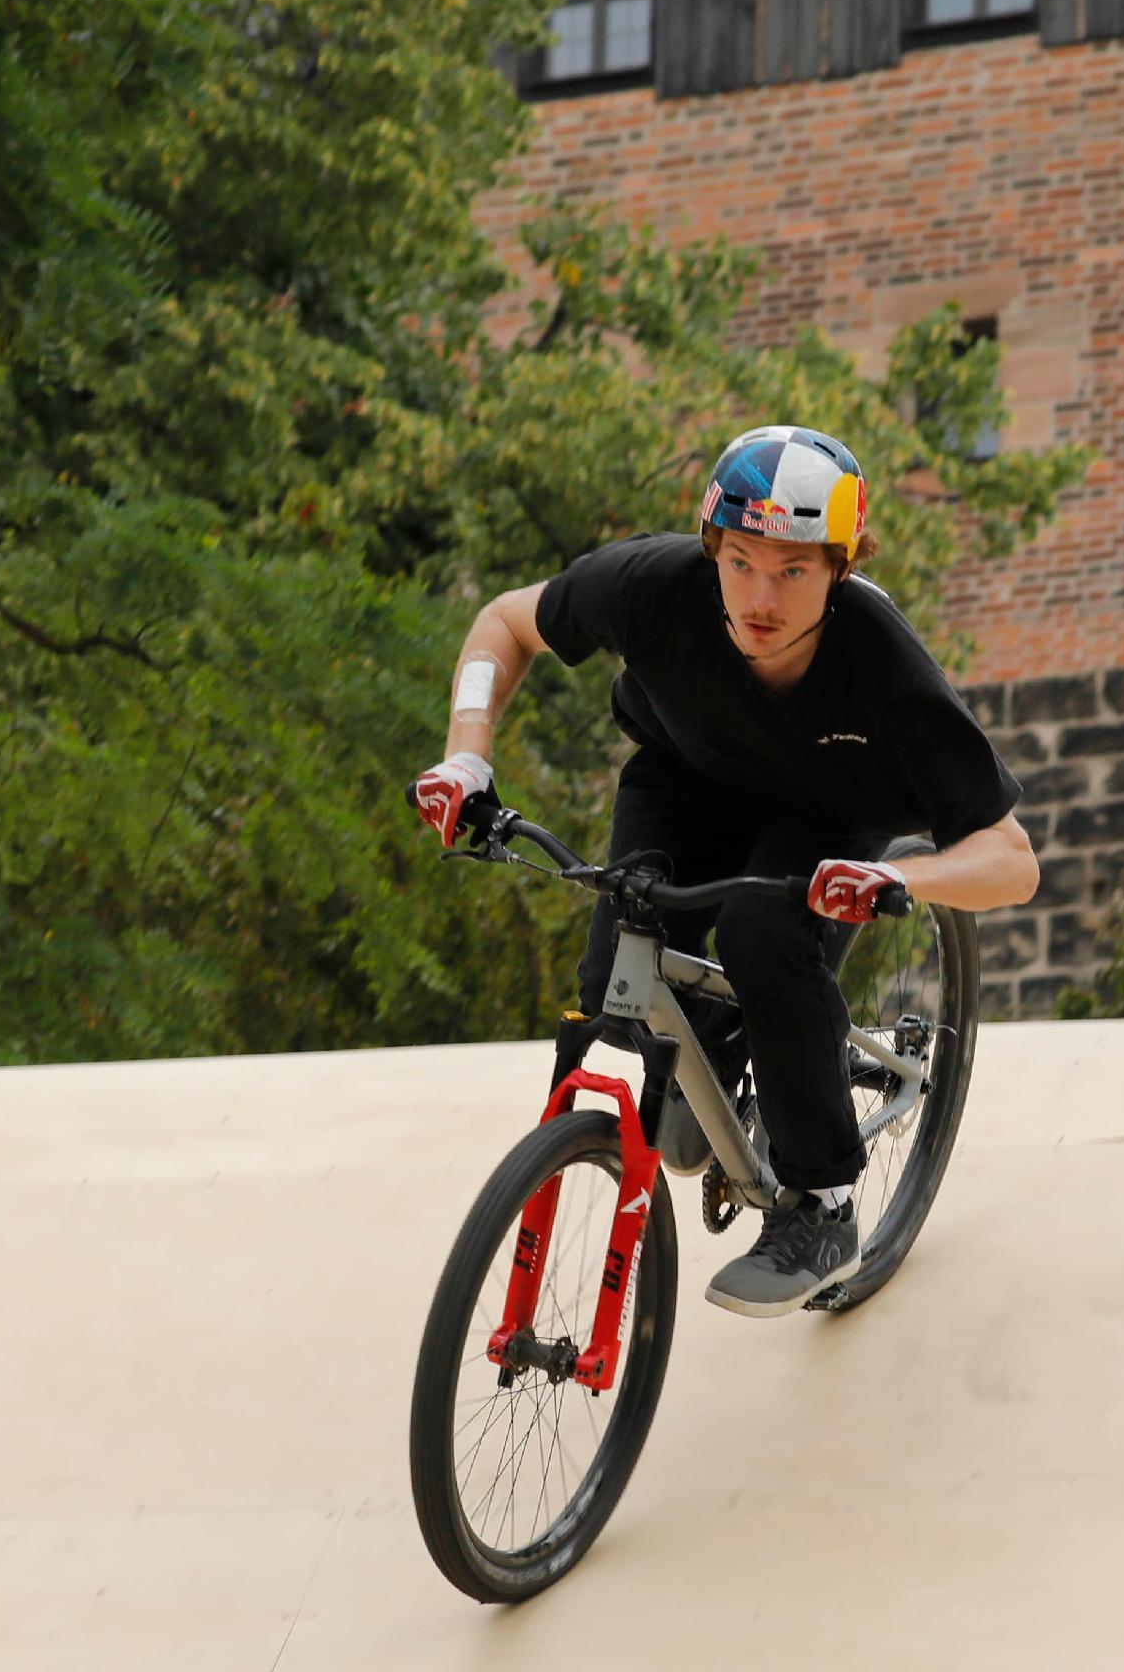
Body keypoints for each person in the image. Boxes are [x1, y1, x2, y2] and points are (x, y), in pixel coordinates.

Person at [408, 425, 1039, 1316]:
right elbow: (504, 622)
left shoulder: (879, 660)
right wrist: (465, 758)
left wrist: (906, 881)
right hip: (688, 774)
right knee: (616, 980)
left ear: (841, 569)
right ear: (710, 548)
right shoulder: (655, 587)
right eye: (739, 562)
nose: (759, 597)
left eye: (793, 571)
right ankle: (732, 1058)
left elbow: (1012, 862)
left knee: (762, 934)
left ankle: (820, 1202)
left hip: (826, 808)